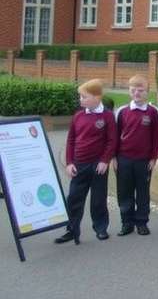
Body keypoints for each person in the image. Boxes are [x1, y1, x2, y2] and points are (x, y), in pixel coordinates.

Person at [55, 79, 116, 245]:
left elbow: (112, 141)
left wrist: (105, 161)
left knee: (98, 199)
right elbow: (71, 140)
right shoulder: (78, 116)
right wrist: (69, 162)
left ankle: (101, 228)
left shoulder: (107, 116)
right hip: (79, 164)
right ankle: (71, 229)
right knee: (74, 198)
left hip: (98, 166)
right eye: (80, 96)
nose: (80, 100)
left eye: (84, 97)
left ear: (97, 97)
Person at [114, 75, 158, 237]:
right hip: (124, 159)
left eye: (141, 90)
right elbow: (115, 137)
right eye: (133, 90)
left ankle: (141, 222)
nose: (137, 93)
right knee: (124, 192)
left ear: (147, 92)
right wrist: (114, 158)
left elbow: (156, 138)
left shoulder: (153, 112)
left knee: (142, 192)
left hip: (144, 161)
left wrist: (153, 158)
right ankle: (127, 223)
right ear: (129, 91)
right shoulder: (122, 112)